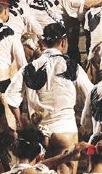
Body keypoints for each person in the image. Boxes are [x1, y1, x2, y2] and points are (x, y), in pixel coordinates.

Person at [6, 23, 93, 157]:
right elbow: (91, 94)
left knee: (41, 169)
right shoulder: (71, 66)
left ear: (44, 43)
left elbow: (11, 97)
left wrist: (20, 121)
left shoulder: (28, 68)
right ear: (64, 42)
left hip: (38, 133)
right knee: (66, 169)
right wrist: (86, 122)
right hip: (64, 129)